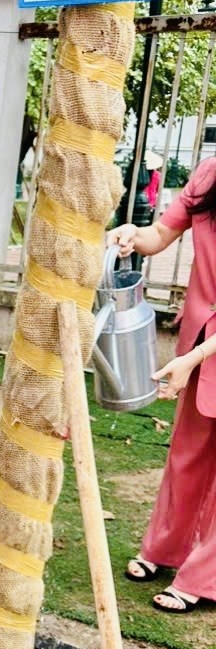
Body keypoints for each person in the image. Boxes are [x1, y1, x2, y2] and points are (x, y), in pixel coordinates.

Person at [108, 154, 216, 613]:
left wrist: (193, 358)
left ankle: (203, 577)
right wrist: (133, 235)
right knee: (186, 454)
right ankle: (165, 548)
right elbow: (161, 233)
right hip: (201, 339)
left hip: (201, 352)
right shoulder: (210, 173)